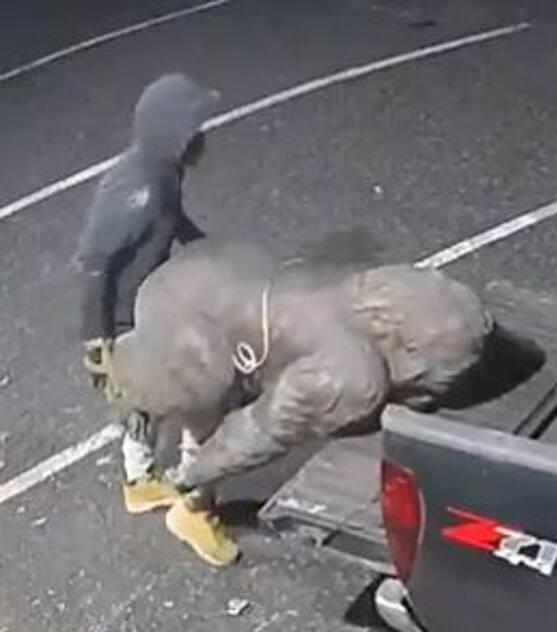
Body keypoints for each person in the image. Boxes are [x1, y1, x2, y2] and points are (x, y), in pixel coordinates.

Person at [102, 239, 494, 566]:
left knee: (166, 378)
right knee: (203, 409)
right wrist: (192, 474)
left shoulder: (373, 289)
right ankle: (192, 509)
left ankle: (147, 456)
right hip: (196, 323)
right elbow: (259, 431)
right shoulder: (347, 375)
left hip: (204, 275)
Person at [76, 73, 220, 515]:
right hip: (125, 313)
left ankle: (149, 468)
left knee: (155, 386)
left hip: (149, 298)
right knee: (142, 394)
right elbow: (95, 262)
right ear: (171, 132)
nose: (201, 137)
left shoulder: (162, 173)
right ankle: (140, 481)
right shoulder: (142, 185)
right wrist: (97, 341)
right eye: (193, 129)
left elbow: (170, 217)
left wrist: (207, 248)